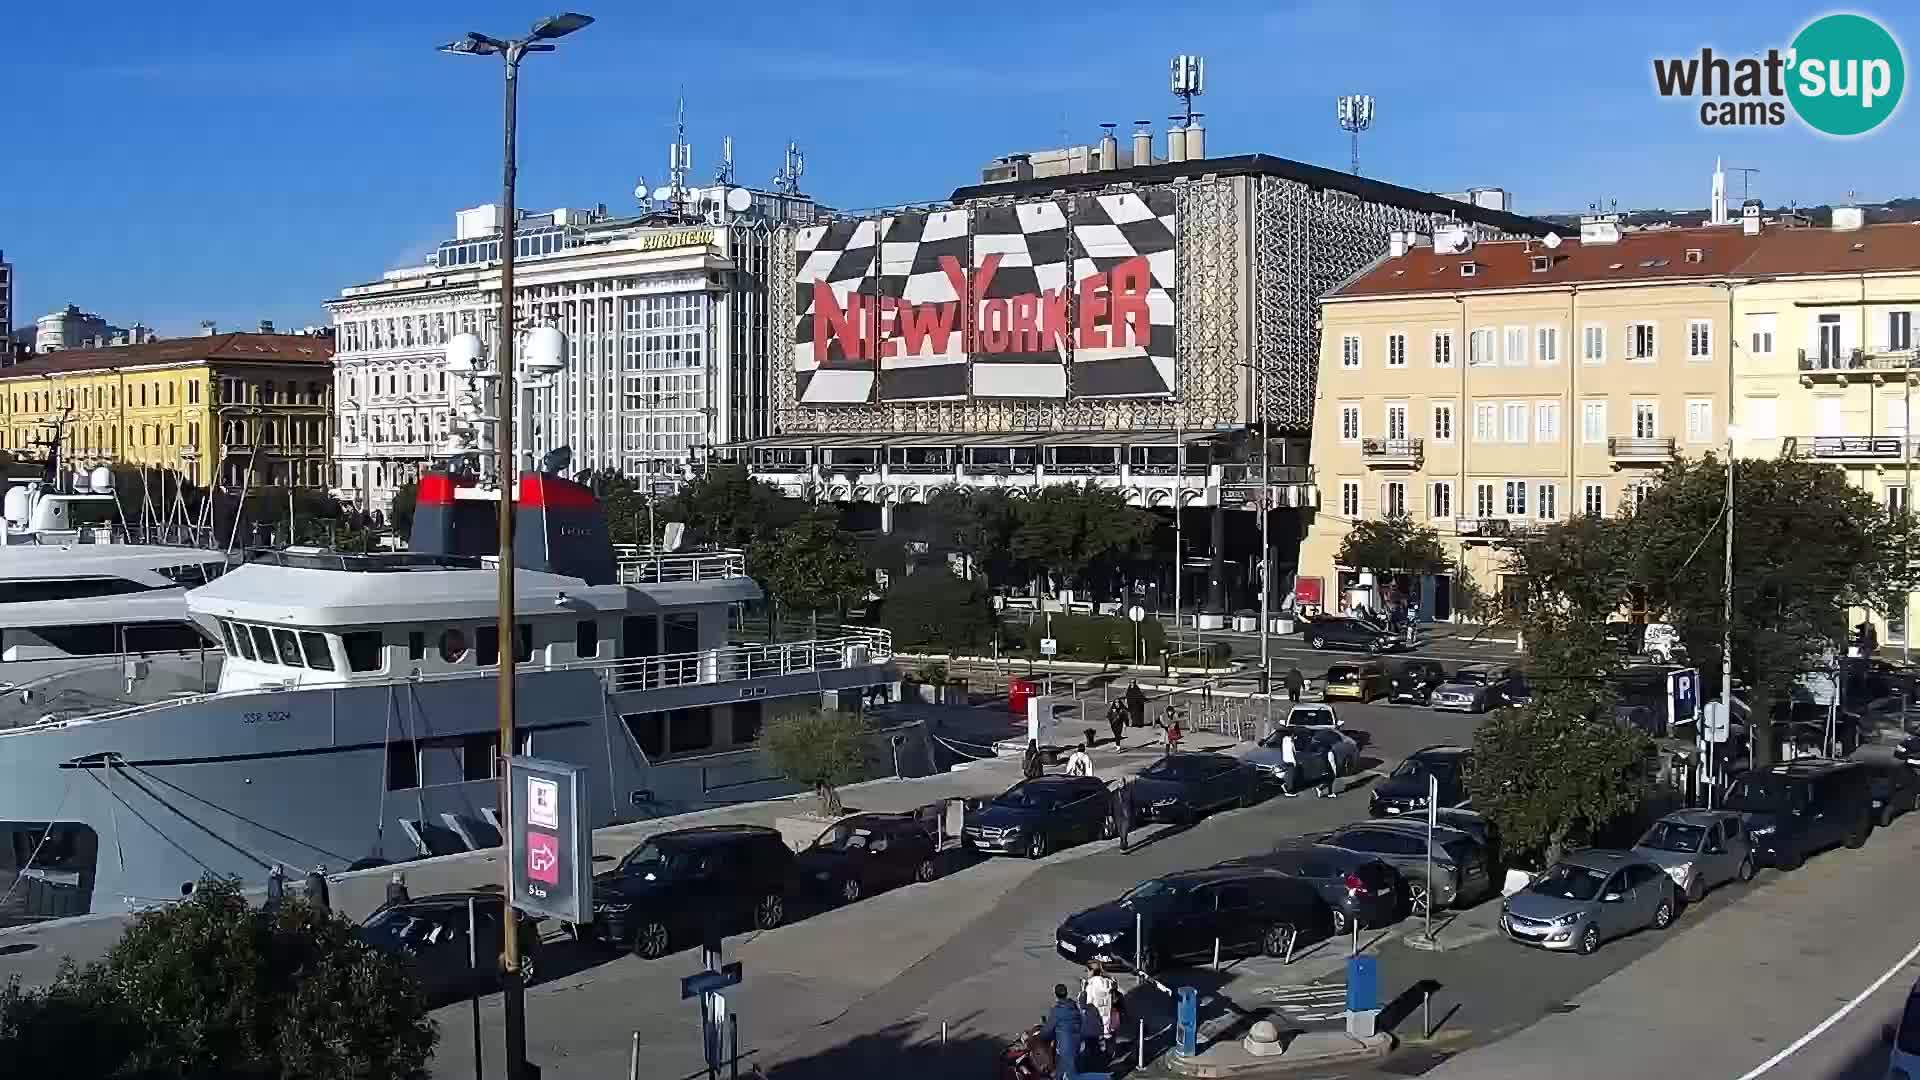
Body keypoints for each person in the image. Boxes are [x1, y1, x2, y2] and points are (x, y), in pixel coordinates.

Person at [1083, 960, 1120, 1059]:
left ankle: (1095, 1057)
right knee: (1110, 1038)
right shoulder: (1109, 982)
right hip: (1110, 1017)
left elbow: (1088, 1003)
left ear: (1092, 971)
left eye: (1087, 971)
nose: (1087, 973)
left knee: (1092, 1040)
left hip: (1097, 1019)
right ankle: (1111, 1054)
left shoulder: (1091, 986)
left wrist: (1083, 990)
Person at [1047, 982, 1083, 1080]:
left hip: (1064, 1044)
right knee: (1069, 1066)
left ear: (1055, 995)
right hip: (1076, 1041)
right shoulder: (1073, 1005)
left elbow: (1050, 1028)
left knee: (1066, 1070)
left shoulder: (1056, 1009)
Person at [1278, 729, 1299, 798]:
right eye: (1294, 735)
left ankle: (1285, 785)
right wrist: (1294, 761)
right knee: (1291, 776)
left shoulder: (1284, 740)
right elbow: (1292, 752)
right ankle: (1289, 791)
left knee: (1288, 774)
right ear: (1292, 735)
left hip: (1285, 759)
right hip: (1290, 760)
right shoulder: (1290, 741)